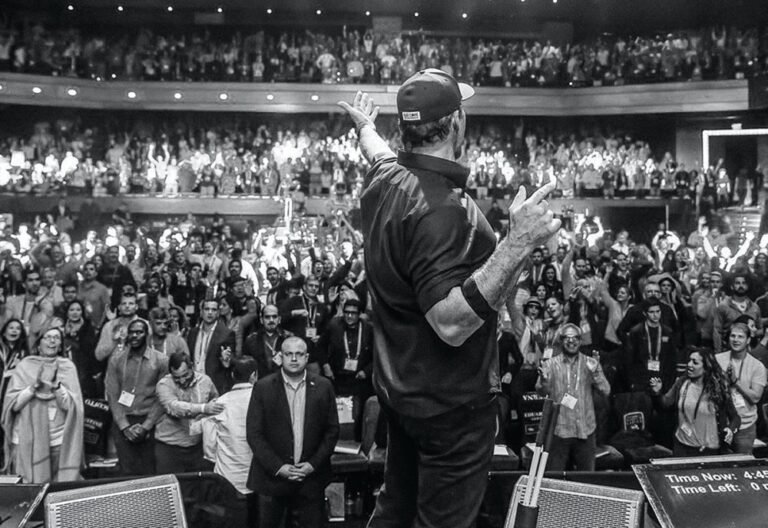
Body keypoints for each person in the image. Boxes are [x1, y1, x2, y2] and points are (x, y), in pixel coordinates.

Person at [338, 72, 559, 528]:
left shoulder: (387, 177)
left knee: (394, 513)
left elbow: (374, 148)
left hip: (405, 400)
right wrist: (518, 243)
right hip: (451, 415)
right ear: (457, 122)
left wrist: (364, 126)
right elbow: (451, 323)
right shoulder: (443, 210)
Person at [246, 337, 339, 528]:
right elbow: (254, 434)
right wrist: (280, 468)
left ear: (307, 358)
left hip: (311, 479)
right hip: (272, 479)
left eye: (299, 354)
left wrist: (312, 465)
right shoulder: (262, 387)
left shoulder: (323, 387)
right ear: (281, 357)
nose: (294, 359)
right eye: (289, 354)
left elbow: (332, 431)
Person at [1, 326, 84, 483]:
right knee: (28, 488)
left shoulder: (67, 367)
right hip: (26, 439)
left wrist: (56, 387)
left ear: (61, 345)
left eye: (56, 338)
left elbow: (71, 407)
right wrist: (33, 388)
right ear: (38, 344)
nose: (52, 341)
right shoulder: (25, 365)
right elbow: (13, 405)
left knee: (55, 487)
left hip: (57, 439)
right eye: (47, 337)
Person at [536, 324, 610, 470]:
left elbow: (606, 390)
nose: (571, 341)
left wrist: (596, 373)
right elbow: (541, 392)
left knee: (586, 482)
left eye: (575, 337)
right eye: (567, 338)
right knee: (555, 481)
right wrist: (544, 381)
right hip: (559, 430)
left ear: (580, 341)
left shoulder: (590, 363)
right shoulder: (550, 364)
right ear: (561, 340)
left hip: (585, 429)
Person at [105, 319, 168, 476]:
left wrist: (146, 426)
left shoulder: (161, 360)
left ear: (147, 335)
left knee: (150, 471)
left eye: (139, 332)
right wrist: (124, 426)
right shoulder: (116, 360)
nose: (134, 336)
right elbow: (112, 394)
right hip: (123, 421)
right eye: (131, 332)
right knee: (127, 472)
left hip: (151, 421)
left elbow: (162, 397)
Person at [651, 347, 739, 456]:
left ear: (706, 367)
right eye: (689, 360)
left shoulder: (719, 390)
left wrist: (731, 430)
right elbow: (665, 403)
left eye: (695, 362)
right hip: (682, 446)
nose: (689, 364)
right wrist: (657, 393)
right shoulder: (682, 382)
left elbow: (736, 418)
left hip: (709, 451)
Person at [202, 357, 258, 528]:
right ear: (254, 376)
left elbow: (209, 446)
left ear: (232, 374)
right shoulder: (263, 400)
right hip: (258, 475)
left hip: (228, 475)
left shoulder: (219, 404)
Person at [155, 351, 222, 474]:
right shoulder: (164, 385)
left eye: (185, 375)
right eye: (177, 377)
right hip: (170, 448)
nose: (181, 380)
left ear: (192, 367)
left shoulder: (205, 381)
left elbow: (215, 400)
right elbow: (174, 407)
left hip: (197, 447)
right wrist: (203, 408)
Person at [715, 323, 766, 454]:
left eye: (740, 337)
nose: (736, 340)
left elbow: (755, 397)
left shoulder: (757, 366)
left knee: (743, 466)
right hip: (719, 424)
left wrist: (735, 381)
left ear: (748, 340)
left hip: (745, 426)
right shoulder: (717, 360)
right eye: (733, 336)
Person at [188, 298, 236, 394]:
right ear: (201, 312)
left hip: (215, 385)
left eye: (214, 310)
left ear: (218, 313)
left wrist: (226, 360)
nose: (210, 313)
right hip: (193, 384)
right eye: (207, 309)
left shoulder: (226, 334)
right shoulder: (193, 332)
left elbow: (231, 361)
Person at [62, 300, 100, 399]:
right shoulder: (61, 328)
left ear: (82, 312)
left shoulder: (88, 328)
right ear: (67, 312)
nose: (75, 313)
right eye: (72, 310)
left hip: (84, 370)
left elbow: (91, 351)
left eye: (78, 310)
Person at [242, 304, 290, 379]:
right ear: (261, 320)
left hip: (284, 381)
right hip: (260, 382)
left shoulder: (289, 338)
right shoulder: (251, 339)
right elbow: (247, 365)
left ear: (279, 319)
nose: (271, 320)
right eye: (267, 317)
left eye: (274, 317)